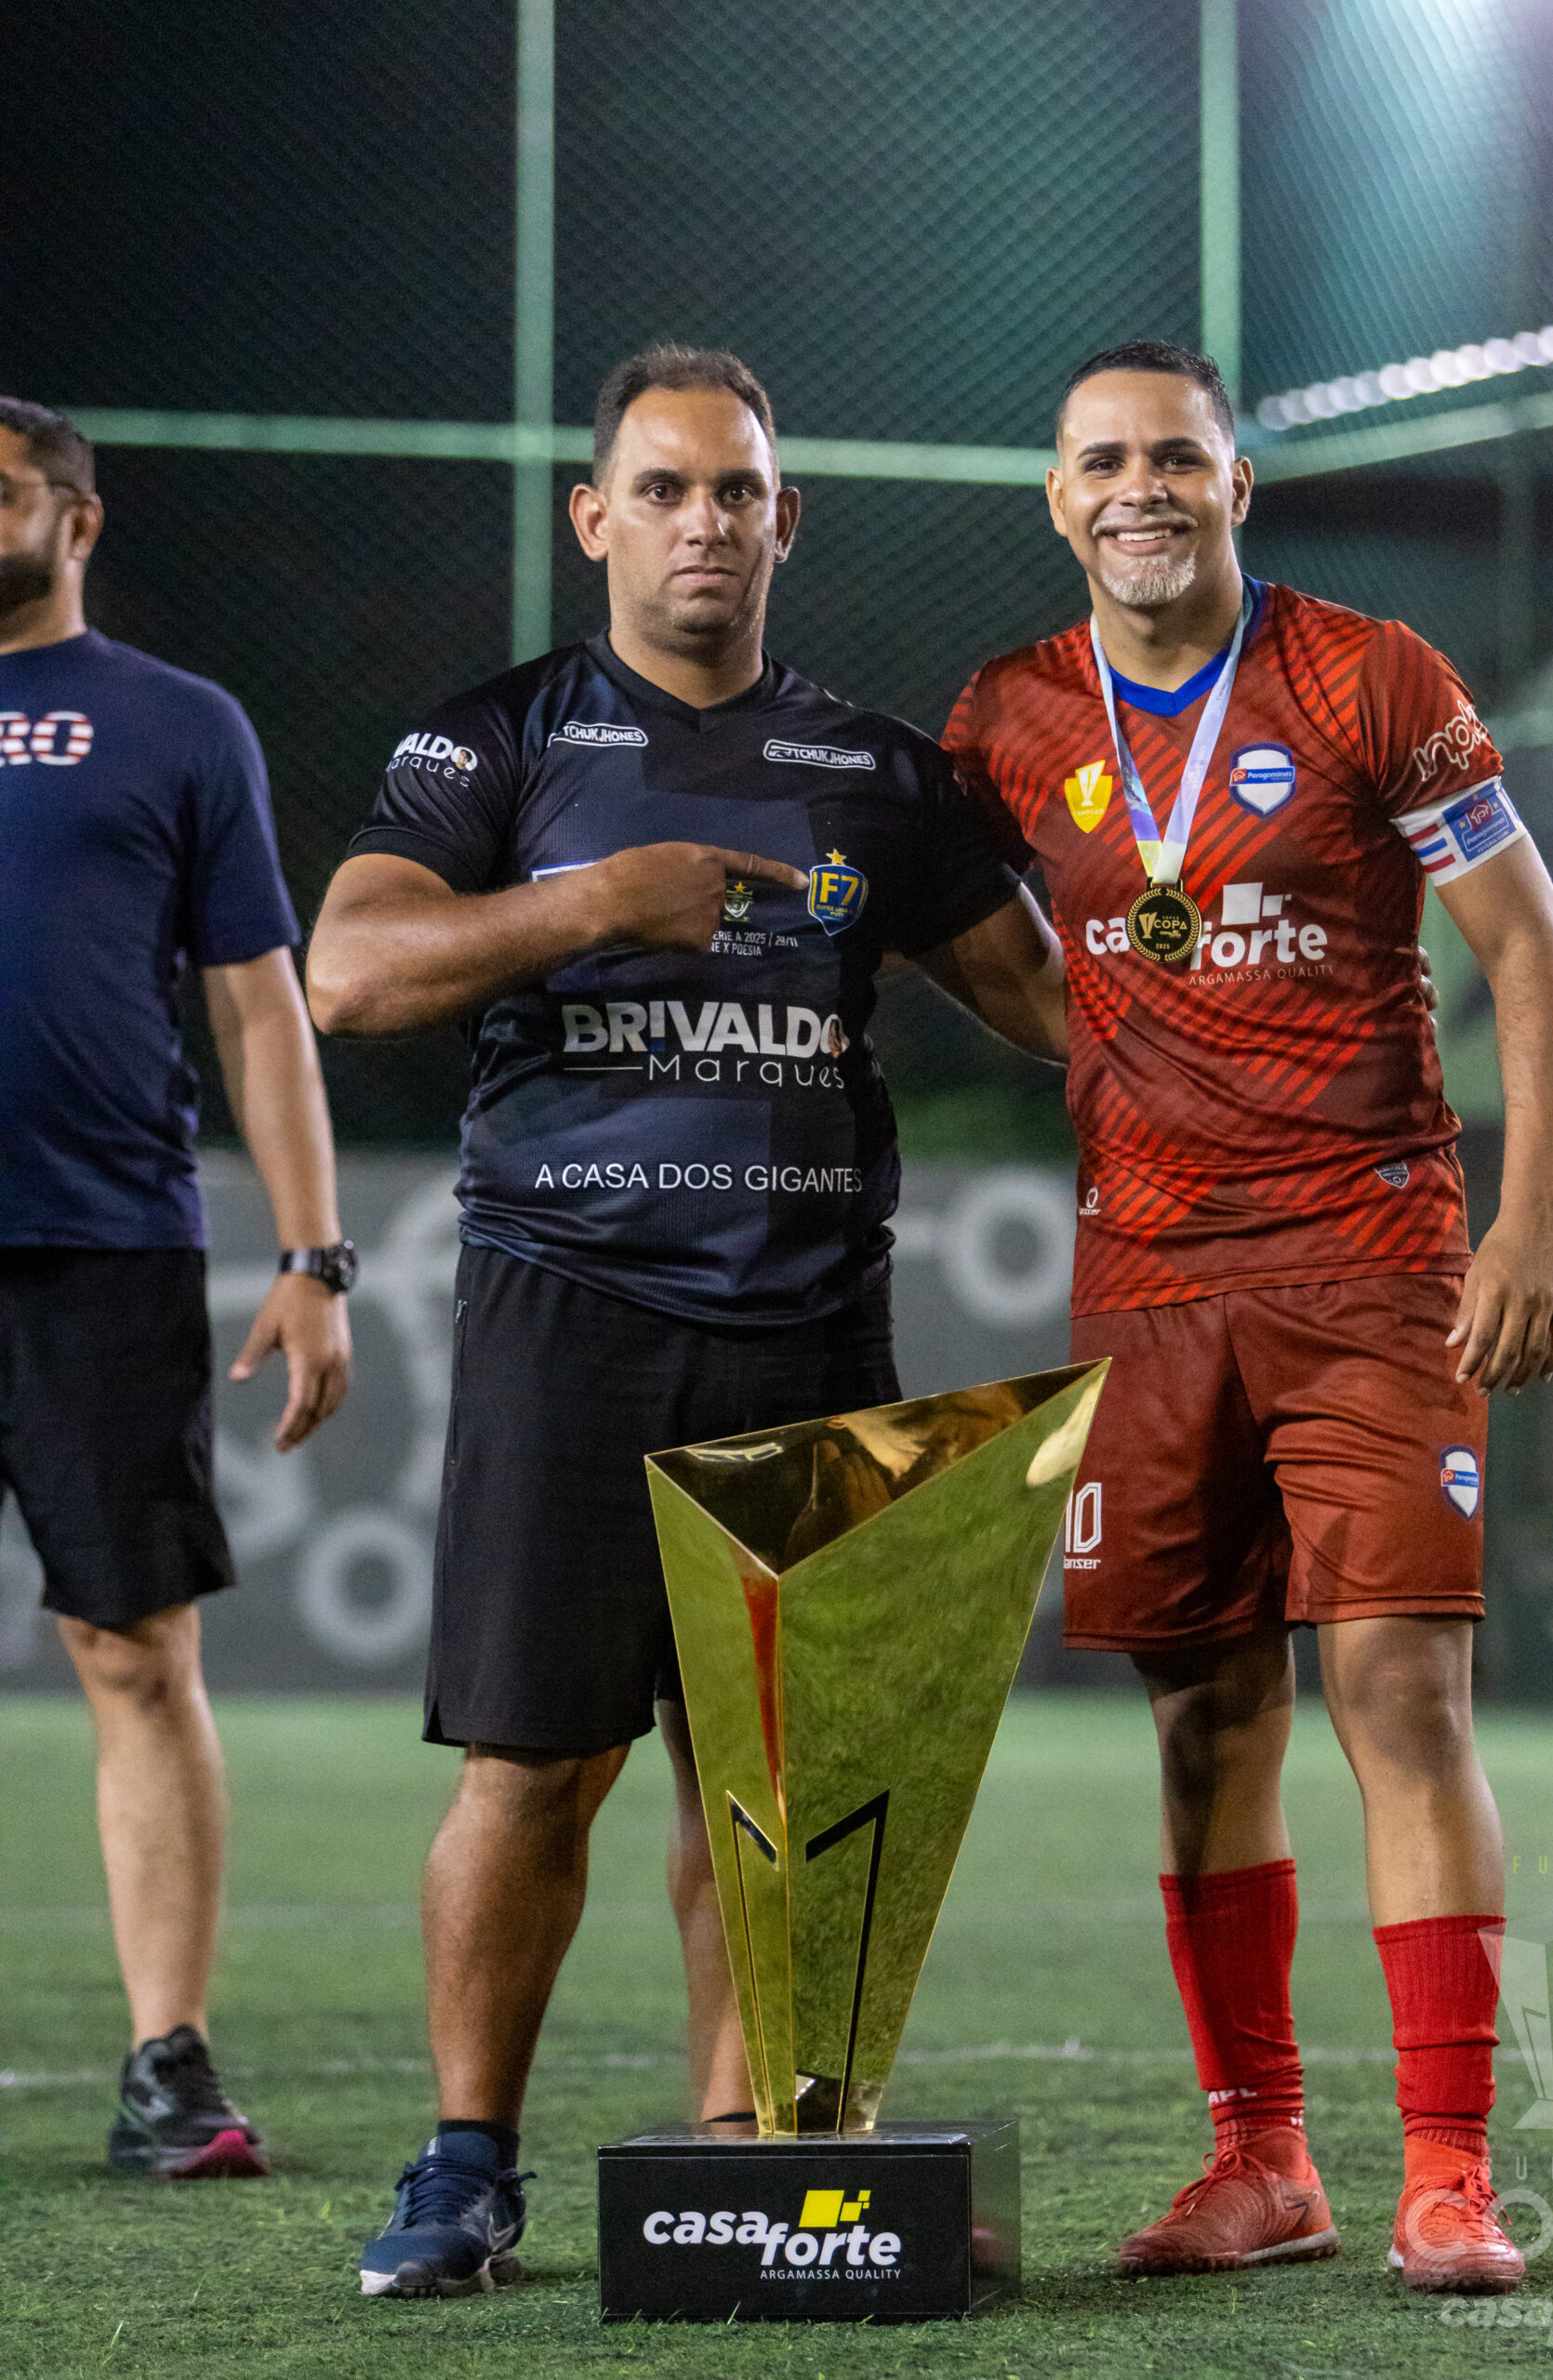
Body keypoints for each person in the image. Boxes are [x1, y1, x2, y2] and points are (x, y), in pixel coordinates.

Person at [304, 346, 1065, 2299]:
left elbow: (1065, 1016)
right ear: (595, 518)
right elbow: (351, 972)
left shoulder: (880, 774)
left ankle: (760, 2162)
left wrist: (1256, 1004)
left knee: (785, 1779)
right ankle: (466, 2164)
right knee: (531, 1766)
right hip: (570, 1306)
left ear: (784, 518)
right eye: (662, 489)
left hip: (810, 1321)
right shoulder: (498, 740)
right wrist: (592, 904)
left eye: (736, 491)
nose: (703, 522)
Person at [943, 342, 1553, 2295]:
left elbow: (1527, 950)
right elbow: (949, 921)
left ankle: (1449, 2172)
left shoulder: (1369, 676)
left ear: (1238, 485)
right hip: (1147, 1284)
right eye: (1102, 461)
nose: (1139, 488)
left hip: (1372, 1260)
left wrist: (1536, 1212)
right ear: (1057, 498)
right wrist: (1107, 1034)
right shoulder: (1007, 715)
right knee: (1206, 1712)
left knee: (1399, 1690)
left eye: (1176, 457)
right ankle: (1262, 2161)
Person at [0, 400, 354, 2177]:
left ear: (76, 519)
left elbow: (257, 1005)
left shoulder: (178, 722)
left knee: (133, 1651)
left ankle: (169, 2066)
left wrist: (312, 1253)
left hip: (103, 1246)